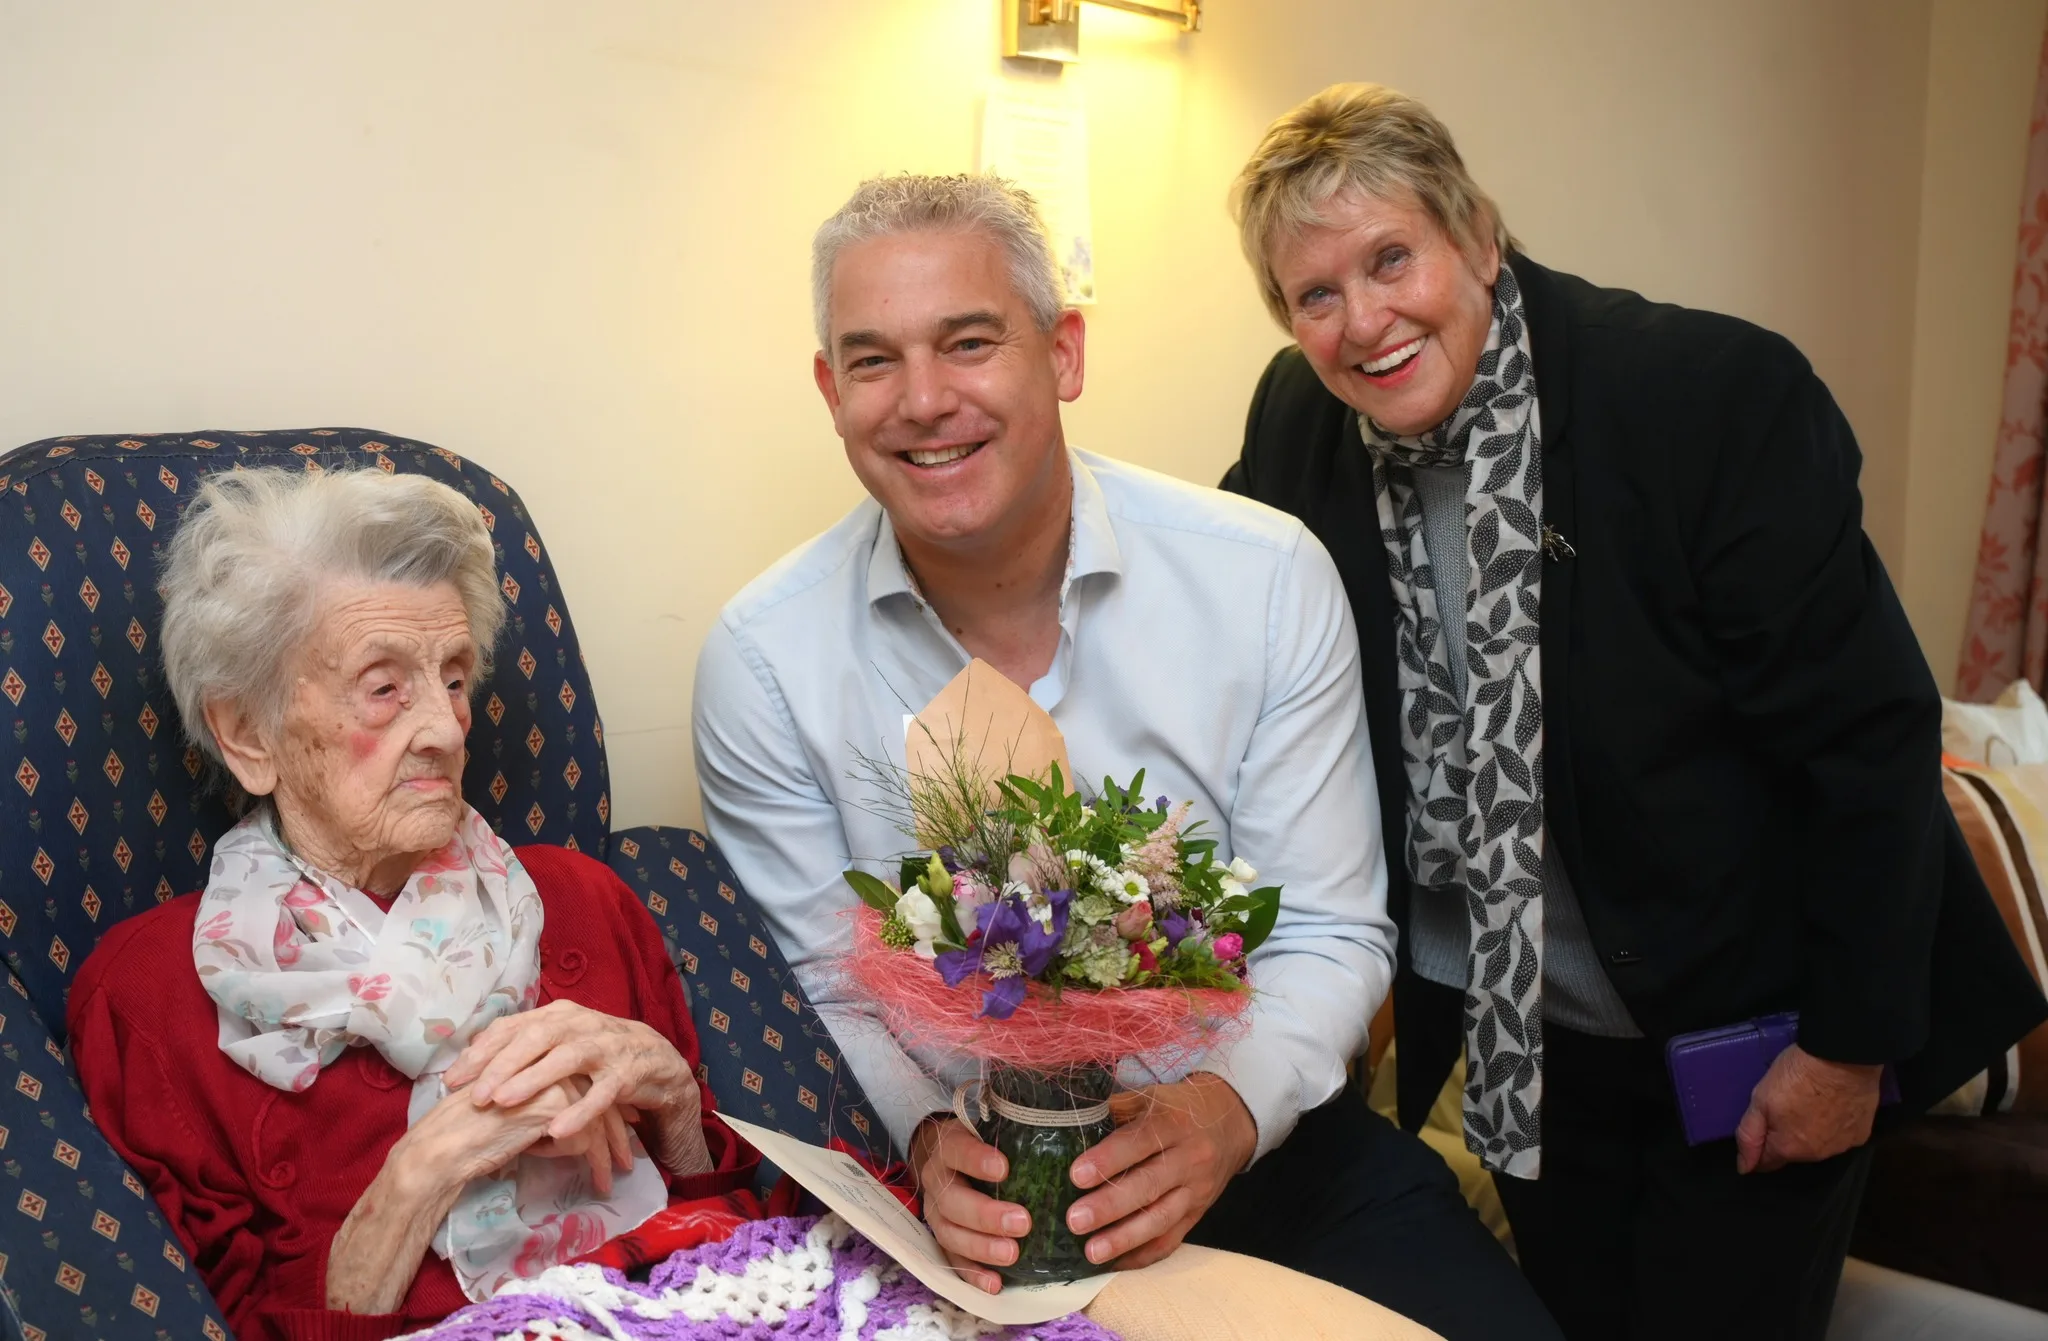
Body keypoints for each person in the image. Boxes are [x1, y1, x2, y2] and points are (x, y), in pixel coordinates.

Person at [1222, 83, 2048, 1340]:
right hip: (1527, 1044)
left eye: (1391, 259)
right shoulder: (1299, 418)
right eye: (1312, 295)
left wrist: (1840, 1054)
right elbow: (1219, 604)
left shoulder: (1701, 396)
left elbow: (1866, 746)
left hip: (1756, 1023)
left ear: (1478, 237)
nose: (1362, 321)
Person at [692, 172, 1563, 1341]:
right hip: (971, 1200)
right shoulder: (763, 657)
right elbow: (828, 979)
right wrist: (929, 1138)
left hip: (1258, 1146)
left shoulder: (1261, 577)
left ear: (1062, 354)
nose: (923, 400)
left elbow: (1331, 928)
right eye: (872, 361)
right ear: (828, 391)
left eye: (967, 342)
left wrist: (1221, 1113)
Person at [68, 468, 759, 1341]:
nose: (443, 726)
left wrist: (675, 1106)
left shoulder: (586, 898)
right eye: (384, 686)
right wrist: (423, 1172)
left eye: (457, 678)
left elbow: (740, 1248)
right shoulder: (149, 1001)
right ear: (248, 733)